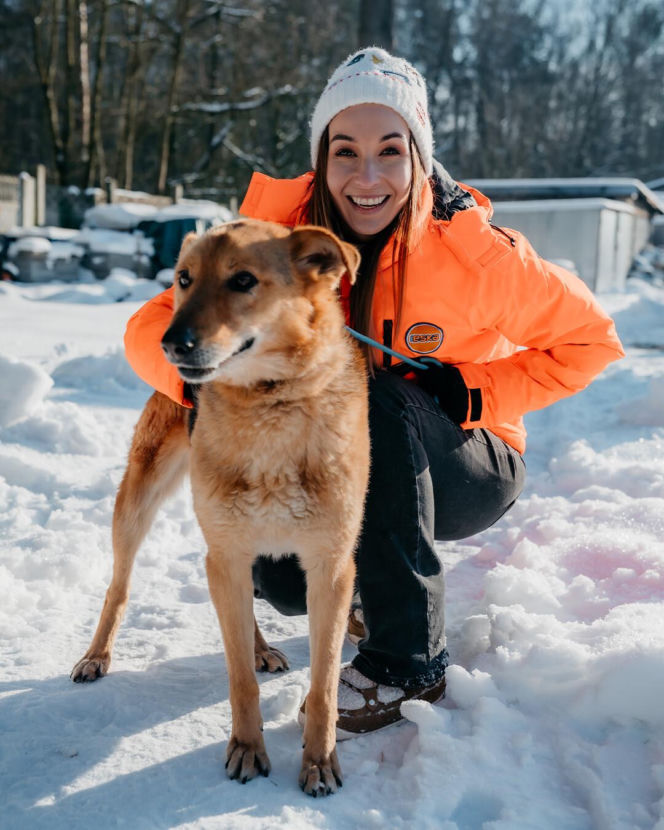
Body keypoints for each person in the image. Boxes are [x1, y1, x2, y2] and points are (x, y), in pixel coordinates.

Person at [123, 48, 625, 737]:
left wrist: (470, 391)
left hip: (465, 456)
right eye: (345, 151)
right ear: (321, 158)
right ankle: (359, 584)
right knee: (284, 586)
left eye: (391, 151)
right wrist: (213, 376)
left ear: (419, 155)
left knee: (372, 395)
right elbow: (151, 327)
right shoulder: (276, 241)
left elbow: (593, 340)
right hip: (327, 452)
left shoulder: (476, 254)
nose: (367, 176)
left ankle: (408, 660)